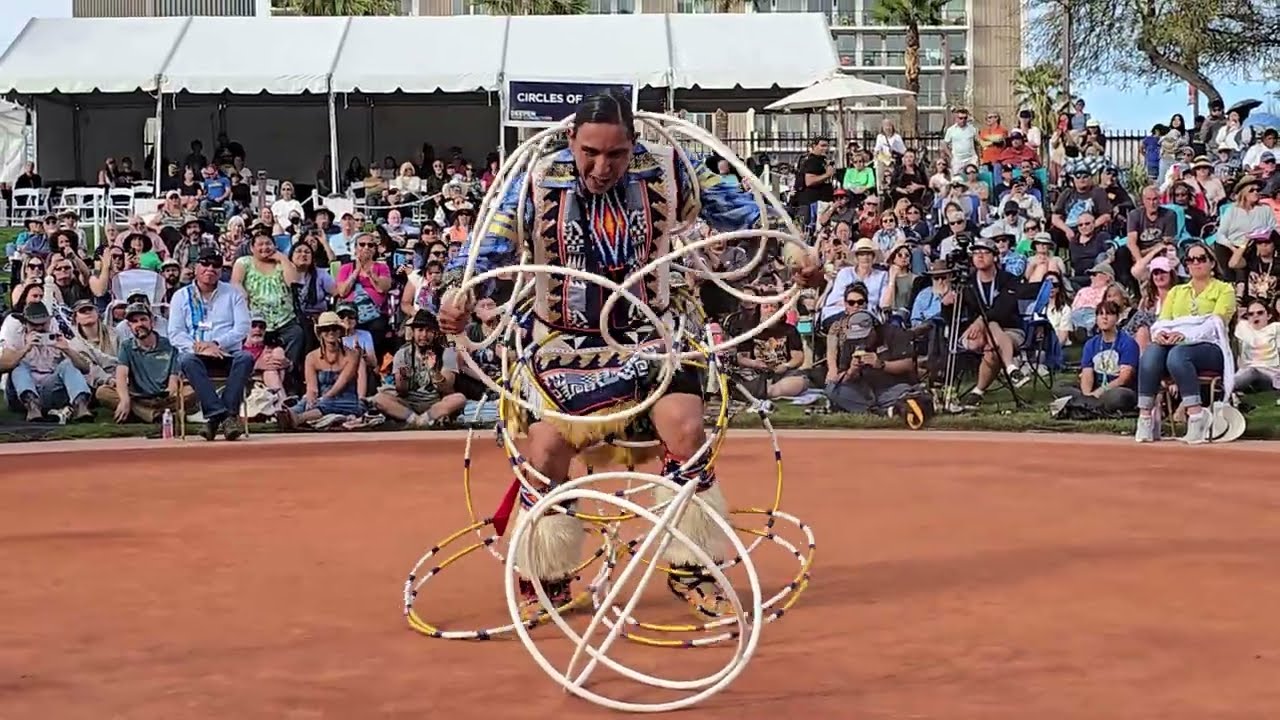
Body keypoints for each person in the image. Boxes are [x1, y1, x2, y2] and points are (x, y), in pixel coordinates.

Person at [436, 92, 819, 620]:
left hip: (653, 331)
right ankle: (547, 575)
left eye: (615, 154)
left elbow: (746, 215)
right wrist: (456, 293)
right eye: (590, 152)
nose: (601, 166)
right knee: (545, 452)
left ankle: (694, 568)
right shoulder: (537, 180)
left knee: (685, 429)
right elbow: (489, 246)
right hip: (564, 341)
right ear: (570, 139)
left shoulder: (669, 168)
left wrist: (792, 253)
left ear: (633, 144)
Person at [1134, 242, 1237, 443]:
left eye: (1201, 258)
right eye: (1191, 259)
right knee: (1152, 351)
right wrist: (1163, 333)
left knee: (1178, 354)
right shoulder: (1176, 291)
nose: (1196, 263)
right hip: (1176, 343)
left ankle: (1196, 416)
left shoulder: (1225, 290)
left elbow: (1215, 324)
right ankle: (1145, 417)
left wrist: (1184, 336)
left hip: (1211, 347)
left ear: (1212, 263)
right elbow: (1162, 321)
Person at [167, 249, 254, 441]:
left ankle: (215, 420)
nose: (210, 269)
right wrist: (202, 347)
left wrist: (217, 344)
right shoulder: (181, 296)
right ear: (195, 267)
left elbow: (242, 327)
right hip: (197, 356)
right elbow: (175, 333)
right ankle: (225, 417)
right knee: (186, 359)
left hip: (227, 354)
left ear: (221, 270)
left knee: (246, 357)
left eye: (216, 265)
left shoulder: (233, 294)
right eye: (205, 264)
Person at [98, 302, 197, 423]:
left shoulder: (169, 345)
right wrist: (125, 399)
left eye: (143, 319)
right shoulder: (126, 346)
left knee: (193, 390)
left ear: (152, 322)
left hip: (164, 397)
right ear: (129, 326)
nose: (139, 324)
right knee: (103, 392)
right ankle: (157, 415)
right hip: (138, 397)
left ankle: (142, 414)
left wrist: (168, 394)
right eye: (134, 321)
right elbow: (121, 375)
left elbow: (173, 380)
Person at [0, 301, 94, 422]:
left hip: (49, 390)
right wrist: (25, 349)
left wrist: (67, 350)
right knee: (18, 365)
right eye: (34, 325)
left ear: (49, 322)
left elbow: (86, 368)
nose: (39, 328)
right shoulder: (16, 337)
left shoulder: (56, 336)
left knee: (68, 364)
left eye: (43, 324)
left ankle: (80, 406)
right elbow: (3, 366)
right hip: (20, 393)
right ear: (26, 323)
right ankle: (32, 408)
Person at [370, 310, 466, 427]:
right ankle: (416, 420)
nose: (424, 335)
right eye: (420, 330)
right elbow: (402, 391)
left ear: (435, 332)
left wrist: (434, 371)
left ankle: (424, 419)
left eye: (428, 330)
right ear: (413, 332)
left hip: (436, 402)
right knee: (378, 399)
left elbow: (447, 388)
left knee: (459, 399)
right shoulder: (402, 354)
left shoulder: (447, 352)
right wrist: (403, 377)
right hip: (409, 402)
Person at [277, 311, 366, 429]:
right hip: (321, 397)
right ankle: (288, 415)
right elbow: (312, 387)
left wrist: (322, 399)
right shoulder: (311, 357)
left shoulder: (352, 355)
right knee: (303, 404)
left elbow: (341, 383)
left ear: (340, 331)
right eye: (326, 329)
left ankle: (298, 419)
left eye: (334, 328)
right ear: (320, 333)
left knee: (325, 403)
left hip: (346, 399)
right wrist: (311, 399)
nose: (330, 332)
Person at [1052, 300, 1139, 414]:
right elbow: (1087, 373)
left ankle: (1081, 405)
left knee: (1119, 397)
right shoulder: (1091, 344)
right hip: (1095, 387)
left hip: (1116, 388)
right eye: (1100, 314)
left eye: (1109, 314)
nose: (1104, 318)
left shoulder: (1127, 342)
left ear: (1117, 318)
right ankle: (1091, 405)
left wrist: (1100, 392)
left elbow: (1124, 378)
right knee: (1059, 386)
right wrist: (1087, 395)